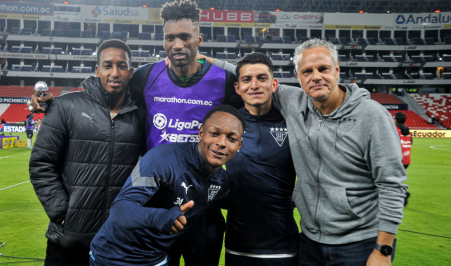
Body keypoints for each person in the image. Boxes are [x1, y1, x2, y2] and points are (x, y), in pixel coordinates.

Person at [31, 0, 240, 266]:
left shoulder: (224, 79)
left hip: (202, 202)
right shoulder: (146, 76)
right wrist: (50, 102)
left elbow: (258, 95)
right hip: (153, 203)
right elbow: (108, 94)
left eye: (185, 37)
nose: (177, 44)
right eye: (170, 38)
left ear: (199, 38)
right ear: (163, 41)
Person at [208, 38, 408, 266]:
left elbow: (392, 185)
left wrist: (383, 249)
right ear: (299, 77)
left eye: (323, 69)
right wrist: (202, 59)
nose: (316, 77)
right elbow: (250, 77)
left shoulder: (371, 115)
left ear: (337, 70)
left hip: (359, 242)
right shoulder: (295, 100)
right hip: (311, 241)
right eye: (307, 71)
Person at [29, 39, 145, 266]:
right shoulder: (66, 106)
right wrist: (62, 213)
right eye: (107, 65)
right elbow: (42, 164)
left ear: (131, 72)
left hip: (118, 240)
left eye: (122, 66)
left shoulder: (142, 114)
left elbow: (149, 167)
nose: (114, 72)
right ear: (97, 70)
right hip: (67, 241)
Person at [89, 105, 244, 266]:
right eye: (214, 133)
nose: (221, 143)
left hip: (157, 258)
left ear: (239, 145)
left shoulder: (222, 182)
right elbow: (119, 210)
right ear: (201, 133)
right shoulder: (161, 159)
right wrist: (159, 217)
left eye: (231, 139)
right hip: (114, 256)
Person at [223, 53, 299, 266]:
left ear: (274, 84)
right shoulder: (226, 124)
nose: (254, 85)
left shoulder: (293, 123)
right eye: (247, 79)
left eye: (262, 78)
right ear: (238, 88)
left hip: (282, 246)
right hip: (238, 245)